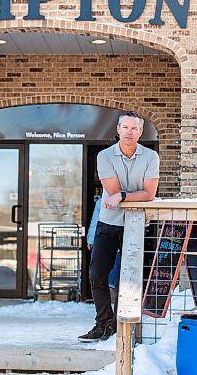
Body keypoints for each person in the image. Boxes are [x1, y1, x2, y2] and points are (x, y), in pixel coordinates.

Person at [78, 111, 160, 342]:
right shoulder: (105, 156)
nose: (129, 132)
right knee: (96, 275)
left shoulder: (150, 157)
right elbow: (112, 192)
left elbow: (149, 194)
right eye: (125, 127)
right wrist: (131, 194)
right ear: (118, 129)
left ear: (141, 132)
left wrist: (124, 195)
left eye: (134, 128)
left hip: (136, 225)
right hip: (108, 223)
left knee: (130, 277)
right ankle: (103, 323)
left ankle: (119, 323)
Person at [87, 197, 121, 301]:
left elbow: (95, 221)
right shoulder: (101, 202)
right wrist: (91, 239)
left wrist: (91, 239)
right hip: (117, 243)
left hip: (106, 243)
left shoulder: (101, 201)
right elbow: (95, 221)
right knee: (112, 280)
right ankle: (111, 309)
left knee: (107, 278)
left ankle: (112, 310)